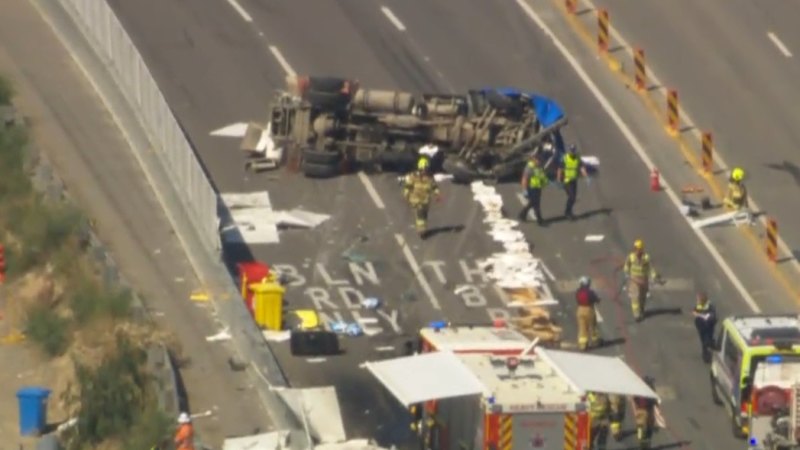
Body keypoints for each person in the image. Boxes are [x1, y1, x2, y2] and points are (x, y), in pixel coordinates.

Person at [623, 239, 661, 322]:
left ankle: (641, 310)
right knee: (635, 297)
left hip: (643, 280)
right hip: (634, 279)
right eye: (636, 248)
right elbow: (626, 265)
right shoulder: (631, 257)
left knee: (642, 297)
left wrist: (654, 276)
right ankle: (636, 314)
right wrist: (626, 273)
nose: (637, 250)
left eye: (639, 249)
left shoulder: (646, 257)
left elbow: (651, 268)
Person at [403, 157, 441, 238]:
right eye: (424, 168)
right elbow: (408, 185)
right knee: (420, 214)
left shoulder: (430, 177)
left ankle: (423, 228)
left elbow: (434, 186)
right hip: (416, 199)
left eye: (426, 169)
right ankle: (421, 230)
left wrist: (437, 194)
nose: (425, 170)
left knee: (424, 214)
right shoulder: (414, 176)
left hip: (425, 200)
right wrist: (406, 194)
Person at [556, 144, 589, 220]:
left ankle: (569, 211)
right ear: (569, 151)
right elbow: (560, 169)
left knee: (573, 198)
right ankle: (567, 213)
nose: (572, 152)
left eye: (573, 151)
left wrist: (586, 176)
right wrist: (558, 179)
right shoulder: (565, 158)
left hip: (574, 180)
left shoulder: (577, 158)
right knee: (572, 197)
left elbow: (581, 167)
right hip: (567, 180)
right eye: (571, 151)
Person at [518, 154, 549, 225]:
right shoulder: (530, 167)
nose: (539, 162)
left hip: (538, 187)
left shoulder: (539, 167)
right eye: (538, 160)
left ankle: (522, 214)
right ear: (534, 159)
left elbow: (541, 175)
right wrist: (524, 190)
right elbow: (525, 178)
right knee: (536, 204)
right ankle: (540, 220)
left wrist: (545, 181)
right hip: (531, 187)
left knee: (532, 202)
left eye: (540, 161)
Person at [575, 276, 601, 350]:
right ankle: (595, 341)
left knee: (582, 327)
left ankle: (582, 344)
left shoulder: (578, 291)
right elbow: (595, 299)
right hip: (589, 310)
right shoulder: (590, 292)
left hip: (579, 310)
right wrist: (598, 299)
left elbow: (577, 299)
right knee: (592, 326)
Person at [633, 377, 657, 449]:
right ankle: (647, 443)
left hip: (640, 409)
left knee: (640, 426)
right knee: (649, 427)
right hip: (648, 410)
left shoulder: (638, 389)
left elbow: (635, 399)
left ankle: (641, 441)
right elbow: (653, 400)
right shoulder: (650, 389)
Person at [693, 291, 717, 363]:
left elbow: (712, 317)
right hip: (702, 327)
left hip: (708, 327)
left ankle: (707, 353)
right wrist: (696, 314)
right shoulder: (699, 306)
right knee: (704, 341)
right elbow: (695, 311)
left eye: (698, 300)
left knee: (706, 341)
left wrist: (705, 317)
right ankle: (706, 353)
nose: (697, 301)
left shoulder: (710, 307)